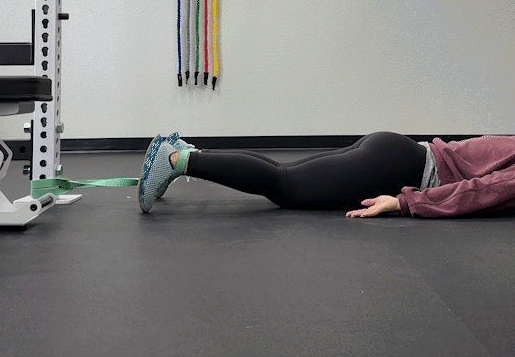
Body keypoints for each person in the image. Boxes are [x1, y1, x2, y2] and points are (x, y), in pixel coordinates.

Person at [137, 131, 515, 219]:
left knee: (283, 174)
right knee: (286, 188)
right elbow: (483, 189)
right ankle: (175, 159)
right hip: (401, 168)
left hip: (398, 151)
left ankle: (186, 153)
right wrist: (405, 201)